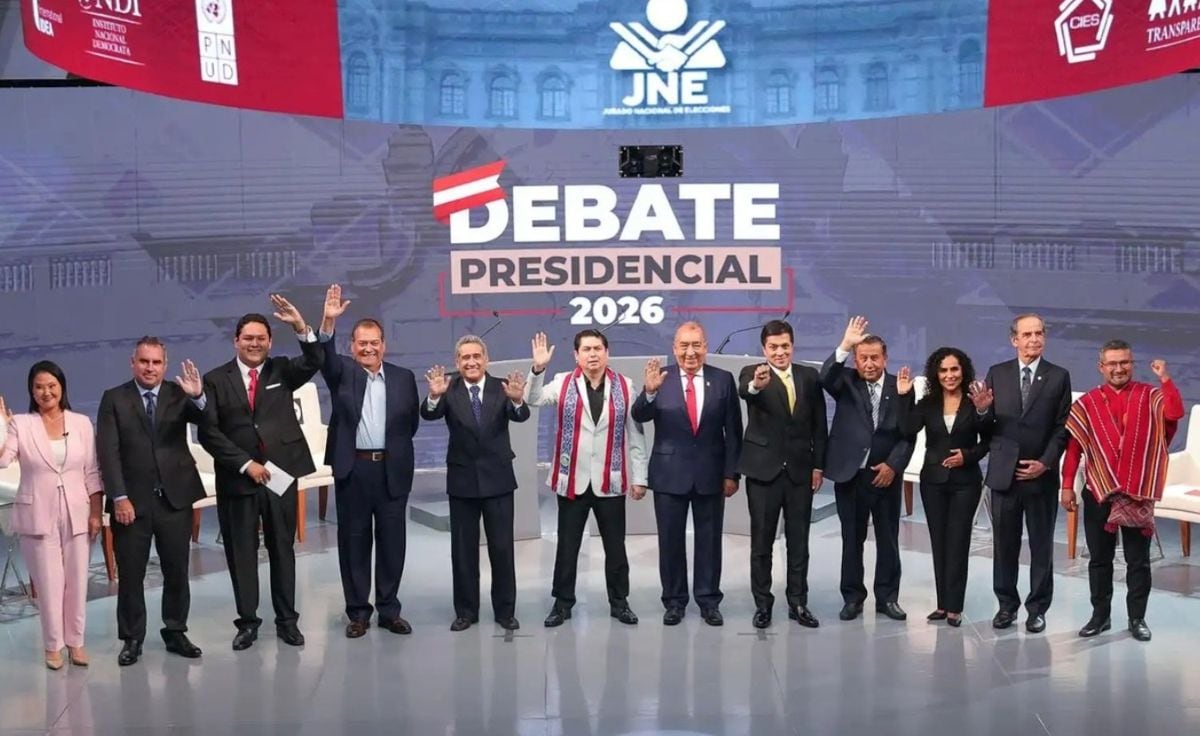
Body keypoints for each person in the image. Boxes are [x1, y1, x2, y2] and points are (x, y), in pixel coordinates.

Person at [198, 295, 323, 650]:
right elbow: (209, 432)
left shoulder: (281, 370)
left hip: (281, 475)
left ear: (269, 342)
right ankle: (248, 623)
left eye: (261, 338)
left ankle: (287, 621)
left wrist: (300, 326)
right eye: (248, 338)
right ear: (236, 341)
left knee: (282, 547)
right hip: (238, 478)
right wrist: (245, 464)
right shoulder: (214, 380)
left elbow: (316, 359)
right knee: (242, 551)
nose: (255, 344)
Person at [1061, 342, 1184, 642]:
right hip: (1098, 491)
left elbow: (1175, 413)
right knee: (1099, 560)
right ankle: (1099, 617)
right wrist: (1067, 486)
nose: (1119, 369)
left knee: (1138, 561)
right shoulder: (1087, 403)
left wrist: (1165, 379)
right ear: (1101, 366)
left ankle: (1137, 619)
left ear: (1132, 363)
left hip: (1137, 492)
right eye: (1112, 363)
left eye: (1125, 363)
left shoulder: (1150, 396)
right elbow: (1075, 449)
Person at [96, 338, 208, 665]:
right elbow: (108, 452)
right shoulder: (114, 399)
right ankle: (132, 638)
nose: (150, 368)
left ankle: (175, 631)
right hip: (131, 504)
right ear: (133, 362)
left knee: (177, 571)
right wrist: (119, 497)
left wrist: (198, 396)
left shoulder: (179, 393)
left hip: (175, 501)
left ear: (165, 364)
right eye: (144, 361)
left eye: (156, 362)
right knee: (131, 575)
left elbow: (208, 421)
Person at [525, 330, 648, 627]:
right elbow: (532, 399)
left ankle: (619, 603)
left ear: (607, 352)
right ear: (576, 355)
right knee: (567, 547)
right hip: (572, 480)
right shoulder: (563, 382)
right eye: (586, 349)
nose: (592, 354)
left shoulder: (625, 386)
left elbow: (635, 434)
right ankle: (562, 604)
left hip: (611, 479)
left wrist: (640, 476)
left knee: (615, 548)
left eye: (598, 348)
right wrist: (538, 368)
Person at [318, 285, 421, 638]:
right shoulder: (342, 372)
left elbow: (410, 425)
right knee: (355, 542)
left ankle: (389, 610)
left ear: (383, 345)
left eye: (374, 341)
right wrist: (328, 322)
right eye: (361, 342)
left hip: (392, 470)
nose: (368, 347)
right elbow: (324, 357)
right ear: (352, 346)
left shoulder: (404, 378)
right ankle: (358, 613)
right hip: (354, 470)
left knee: (393, 544)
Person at [631, 321, 742, 627]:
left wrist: (732, 473)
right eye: (684, 345)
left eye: (696, 345)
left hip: (711, 474)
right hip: (669, 474)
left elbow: (733, 431)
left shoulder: (723, 380)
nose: (690, 352)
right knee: (670, 542)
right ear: (674, 348)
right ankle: (674, 601)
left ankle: (708, 600)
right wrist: (649, 393)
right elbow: (639, 415)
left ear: (706, 347)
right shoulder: (660, 379)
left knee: (709, 541)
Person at [422, 335, 530, 632]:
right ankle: (466, 611)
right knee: (463, 550)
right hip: (462, 481)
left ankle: (505, 611)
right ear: (457, 363)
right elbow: (428, 414)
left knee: (502, 549)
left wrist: (518, 399)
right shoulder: (448, 387)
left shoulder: (502, 387)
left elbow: (521, 415)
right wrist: (433, 396)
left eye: (476, 356)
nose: (471, 362)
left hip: (498, 481)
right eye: (464, 358)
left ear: (486, 359)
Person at [0, 362, 103, 670]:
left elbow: (93, 471)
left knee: (76, 582)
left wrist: (96, 512)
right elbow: (3, 459)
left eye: (51, 385)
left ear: (62, 387)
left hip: (78, 511)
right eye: (38, 387)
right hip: (38, 513)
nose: (46, 392)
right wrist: (1, 426)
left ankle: (76, 642)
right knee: (49, 584)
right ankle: (53, 646)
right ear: (31, 391)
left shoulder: (81, 422)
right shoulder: (21, 423)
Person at [979, 313, 1071, 633]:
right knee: (1004, 544)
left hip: (1040, 477)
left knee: (1041, 544)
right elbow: (985, 427)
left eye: (1038, 333)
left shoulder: (1059, 376)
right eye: (1026, 334)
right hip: (1004, 475)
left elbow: (1062, 427)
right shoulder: (997, 373)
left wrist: (1045, 463)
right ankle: (1006, 606)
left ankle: (1037, 608)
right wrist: (979, 410)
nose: (1033, 339)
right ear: (1013, 339)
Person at [820, 316, 915, 622]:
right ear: (856, 360)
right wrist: (845, 345)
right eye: (863, 358)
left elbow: (908, 434)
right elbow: (825, 377)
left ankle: (887, 599)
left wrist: (893, 465)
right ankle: (852, 598)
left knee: (888, 540)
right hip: (851, 476)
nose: (870, 363)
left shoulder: (900, 386)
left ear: (885, 358)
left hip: (885, 476)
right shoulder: (846, 381)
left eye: (875, 358)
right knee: (852, 539)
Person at [737, 319, 826, 630]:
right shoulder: (753, 374)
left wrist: (818, 466)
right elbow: (746, 392)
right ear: (764, 349)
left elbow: (819, 426)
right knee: (761, 543)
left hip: (800, 472)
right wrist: (757, 386)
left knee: (799, 542)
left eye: (784, 346)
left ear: (792, 346)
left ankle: (798, 602)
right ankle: (763, 604)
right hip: (763, 473)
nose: (779, 352)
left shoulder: (809, 376)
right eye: (773, 347)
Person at [896, 348, 994, 627]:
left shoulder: (975, 400)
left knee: (958, 542)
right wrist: (905, 397)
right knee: (939, 542)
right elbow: (906, 429)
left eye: (954, 369)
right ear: (935, 374)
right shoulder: (927, 403)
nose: (949, 375)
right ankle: (942, 604)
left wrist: (967, 455)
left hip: (965, 482)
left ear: (963, 371)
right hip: (933, 482)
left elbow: (987, 440)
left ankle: (955, 607)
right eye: (943, 370)